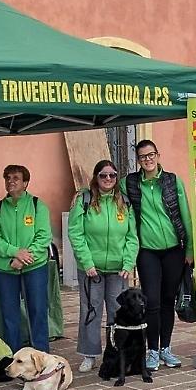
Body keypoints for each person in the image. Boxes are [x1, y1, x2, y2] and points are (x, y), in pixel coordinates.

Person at [123, 139, 194, 371]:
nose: (148, 160)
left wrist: (190, 248)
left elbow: (185, 215)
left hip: (174, 250)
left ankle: (166, 348)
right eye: (143, 157)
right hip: (148, 252)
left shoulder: (172, 181)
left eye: (151, 155)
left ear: (158, 155)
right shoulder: (130, 183)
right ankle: (152, 349)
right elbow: (105, 186)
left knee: (167, 300)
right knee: (151, 301)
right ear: (138, 160)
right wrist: (83, 192)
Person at [68, 159, 139, 372]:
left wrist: (129, 262)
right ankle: (89, 354)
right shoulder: (85, 200)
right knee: (91, 310)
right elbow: (75, 232)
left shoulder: (124, 202)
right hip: (92, 269)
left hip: (119, 269)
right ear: (96, 177)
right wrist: (87, 262)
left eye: (112, 175)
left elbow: (132, 236)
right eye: (103, 175)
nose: (108, 179)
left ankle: (115, 351)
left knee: (118, 311)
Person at [0, 164, 53, 352]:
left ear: (25, 182)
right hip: (5, 268)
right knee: (9, 315)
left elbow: (43, 236)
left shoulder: (37, 205)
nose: (10, 181)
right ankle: (13, 356)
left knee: (38, 311)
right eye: (7, 178)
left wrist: (23, 258)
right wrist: (14, 252)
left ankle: (40, 354)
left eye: (15, 178)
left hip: (34, 267)